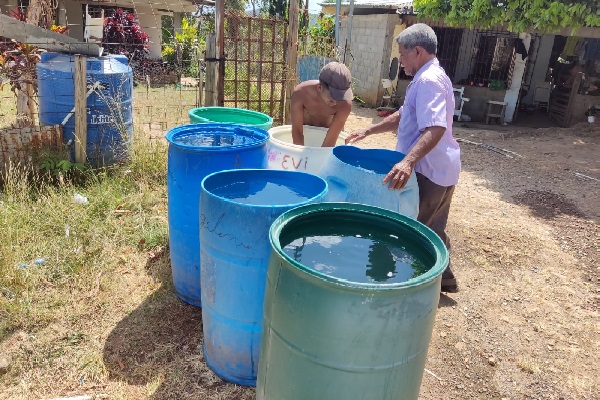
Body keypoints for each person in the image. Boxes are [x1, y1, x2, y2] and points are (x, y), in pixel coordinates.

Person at [345, 23, 461, 293]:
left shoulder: (428, 81)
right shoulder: (427, 77)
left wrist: (407, 162)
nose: (401, 62)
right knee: (433, 227)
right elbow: (404, 114)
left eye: (402, 55)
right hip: (442, 167)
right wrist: (369, 129)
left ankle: (414, 289)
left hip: (428, 170)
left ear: (417, 51)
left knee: (415, 231)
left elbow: (435, 128)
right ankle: (444, 278)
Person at [290, 61, 353, 147]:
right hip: (305, 135)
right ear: (319, 87)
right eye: (333, 96)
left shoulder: (345, 104)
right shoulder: (300, 93)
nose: (335, 102)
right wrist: (302, 158)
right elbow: (297, 131)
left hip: (326, 136)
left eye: (341, 96)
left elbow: (330, 140)